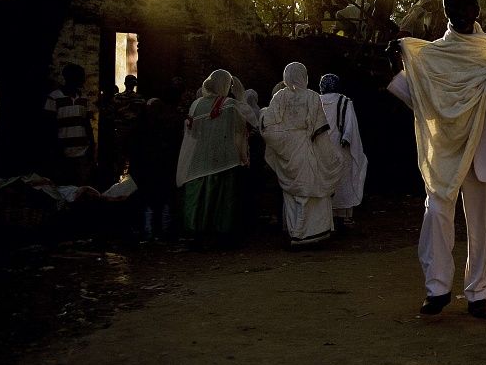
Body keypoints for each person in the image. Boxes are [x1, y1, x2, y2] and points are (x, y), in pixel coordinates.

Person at [387, 0, 486, 319]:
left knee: (481, 226)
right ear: (446, 10)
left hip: (483, 151)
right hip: (446, 152)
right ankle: (437, 289)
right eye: (453, 5)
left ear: (478, 10)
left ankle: (478, 293)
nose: (460, 11)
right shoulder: (433, 54)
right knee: (436, 213)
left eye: (467, 5)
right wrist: (397, 67)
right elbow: (423, 103)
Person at [261, 63, 344, 246]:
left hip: (288, 152)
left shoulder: (279, 96)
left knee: (292, 194)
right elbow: (319, 131)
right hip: (307, 148)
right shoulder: (312, 97)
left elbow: (268, 125)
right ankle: (312, 233)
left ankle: (296, 233)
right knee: (313, 188)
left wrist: (283, 142)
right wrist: (330, 157)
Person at [175, 69, 257, 248]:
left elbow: (193, 132)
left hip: (200, 157)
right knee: (222, 198)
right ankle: (220, 234)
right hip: (225, 159)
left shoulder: (196, 104)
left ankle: (196, 233)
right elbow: (239, 130)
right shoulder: (230, 104)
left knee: (202, 196)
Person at [318, 73, 368, 227]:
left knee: (323, 179)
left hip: (321, 148)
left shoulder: (315, 101)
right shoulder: (344, 101)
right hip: (341, 147)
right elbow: (350, 125)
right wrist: (346, 138)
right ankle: (343, 215)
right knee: (343, 180)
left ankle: (325, 216)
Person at [131, 95, 183, 240]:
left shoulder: (143, 127)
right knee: (163, 201)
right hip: (161, 168)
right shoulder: (168, 126)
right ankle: (163, 231)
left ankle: (149, 231)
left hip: (148, 169)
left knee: (150, 202)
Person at [44, 63, 95, 186]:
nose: (83, 80)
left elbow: (86, 123)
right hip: (62, 151)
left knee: (81, 188)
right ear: (71, 78)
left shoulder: (84, 98)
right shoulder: (54, 97)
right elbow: (49, 126)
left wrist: (92, 145)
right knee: (61, 186)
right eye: (81, 77)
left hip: (81, 152)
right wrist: (56, 148)